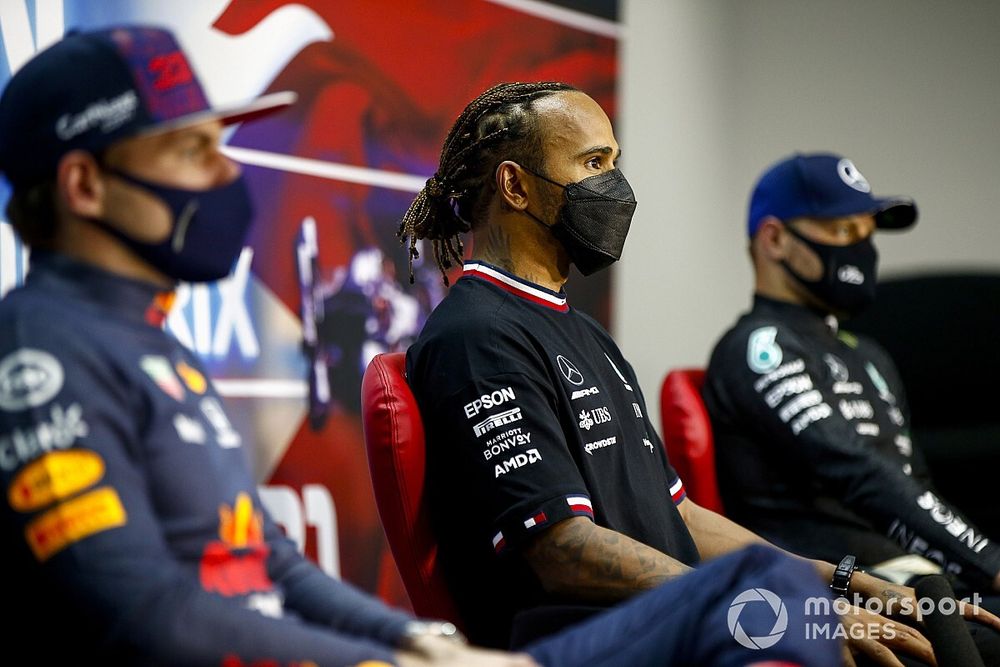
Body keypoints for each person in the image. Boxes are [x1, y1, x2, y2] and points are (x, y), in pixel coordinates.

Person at [0, 25, 837, 667]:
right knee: (762, 595)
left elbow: (276, 566)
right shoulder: (39, 350)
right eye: (192, 151)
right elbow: (140, 608)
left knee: (801, 596)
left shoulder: (155, 348)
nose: (226, 177)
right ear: (83, 184)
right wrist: (385, 660)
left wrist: (419, 640)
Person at [399, 82, 1000, 665]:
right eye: (593, 162)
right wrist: (785, 606)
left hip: (679, 621)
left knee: (934, 615)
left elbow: (679, 514)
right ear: (515, 185)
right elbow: (562, 550)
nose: (616, 185)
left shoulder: (582, 332)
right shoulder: (476, 336)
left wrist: (838, 580)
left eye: (615, 161)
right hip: (592, 639)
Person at [701, 153, 1000, 614]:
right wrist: (989, 563)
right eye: (843, 231)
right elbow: (857, 471)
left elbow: (912, 484)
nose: (862, 248)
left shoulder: (868, 356)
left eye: (867, 232)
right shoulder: (758, 347)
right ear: (776, 239)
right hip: (826, 597)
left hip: (914, 582)